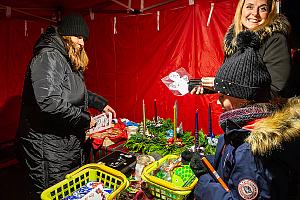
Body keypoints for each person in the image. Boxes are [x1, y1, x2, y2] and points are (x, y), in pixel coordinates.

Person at [16, 13, 116, 199]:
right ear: (66, 35)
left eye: (84, 39)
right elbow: (49, 101)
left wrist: (100, 104)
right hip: (47, 148)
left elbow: (75, 92)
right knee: (55, 192)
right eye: (79, 37)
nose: (83, 43)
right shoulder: (48, 56)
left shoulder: (67, 58)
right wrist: (85, 120)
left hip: (65, 142)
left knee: (71, 191)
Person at [191, 30, 300, 199]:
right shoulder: (243, 128)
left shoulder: (250, 149)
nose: (218, 102)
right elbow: (234, 166)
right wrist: (207, 162)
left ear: (243, 99)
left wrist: (204, 181)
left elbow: (245, 168)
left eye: (222, 97)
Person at [192, 0, 295, 98]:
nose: (255, 13)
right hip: (237, 110)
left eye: (263, 9)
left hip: (266, 114)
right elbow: (235, 82)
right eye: (249, 7)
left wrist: (222, 85)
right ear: (241, 9)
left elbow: (277, 90)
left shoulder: (275, 39)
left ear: (269, 13)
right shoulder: (234, 42)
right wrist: (208, 87)